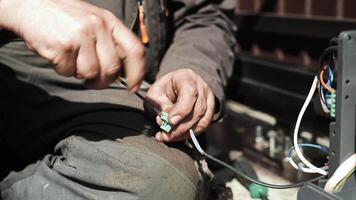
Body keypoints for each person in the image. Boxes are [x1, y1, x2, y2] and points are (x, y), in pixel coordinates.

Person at [0, 0, 236, 199]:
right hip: (16, 69)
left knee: (161, 177)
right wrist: (19, 8)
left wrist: (190, 68)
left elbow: (205, 14)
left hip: (126, 88)